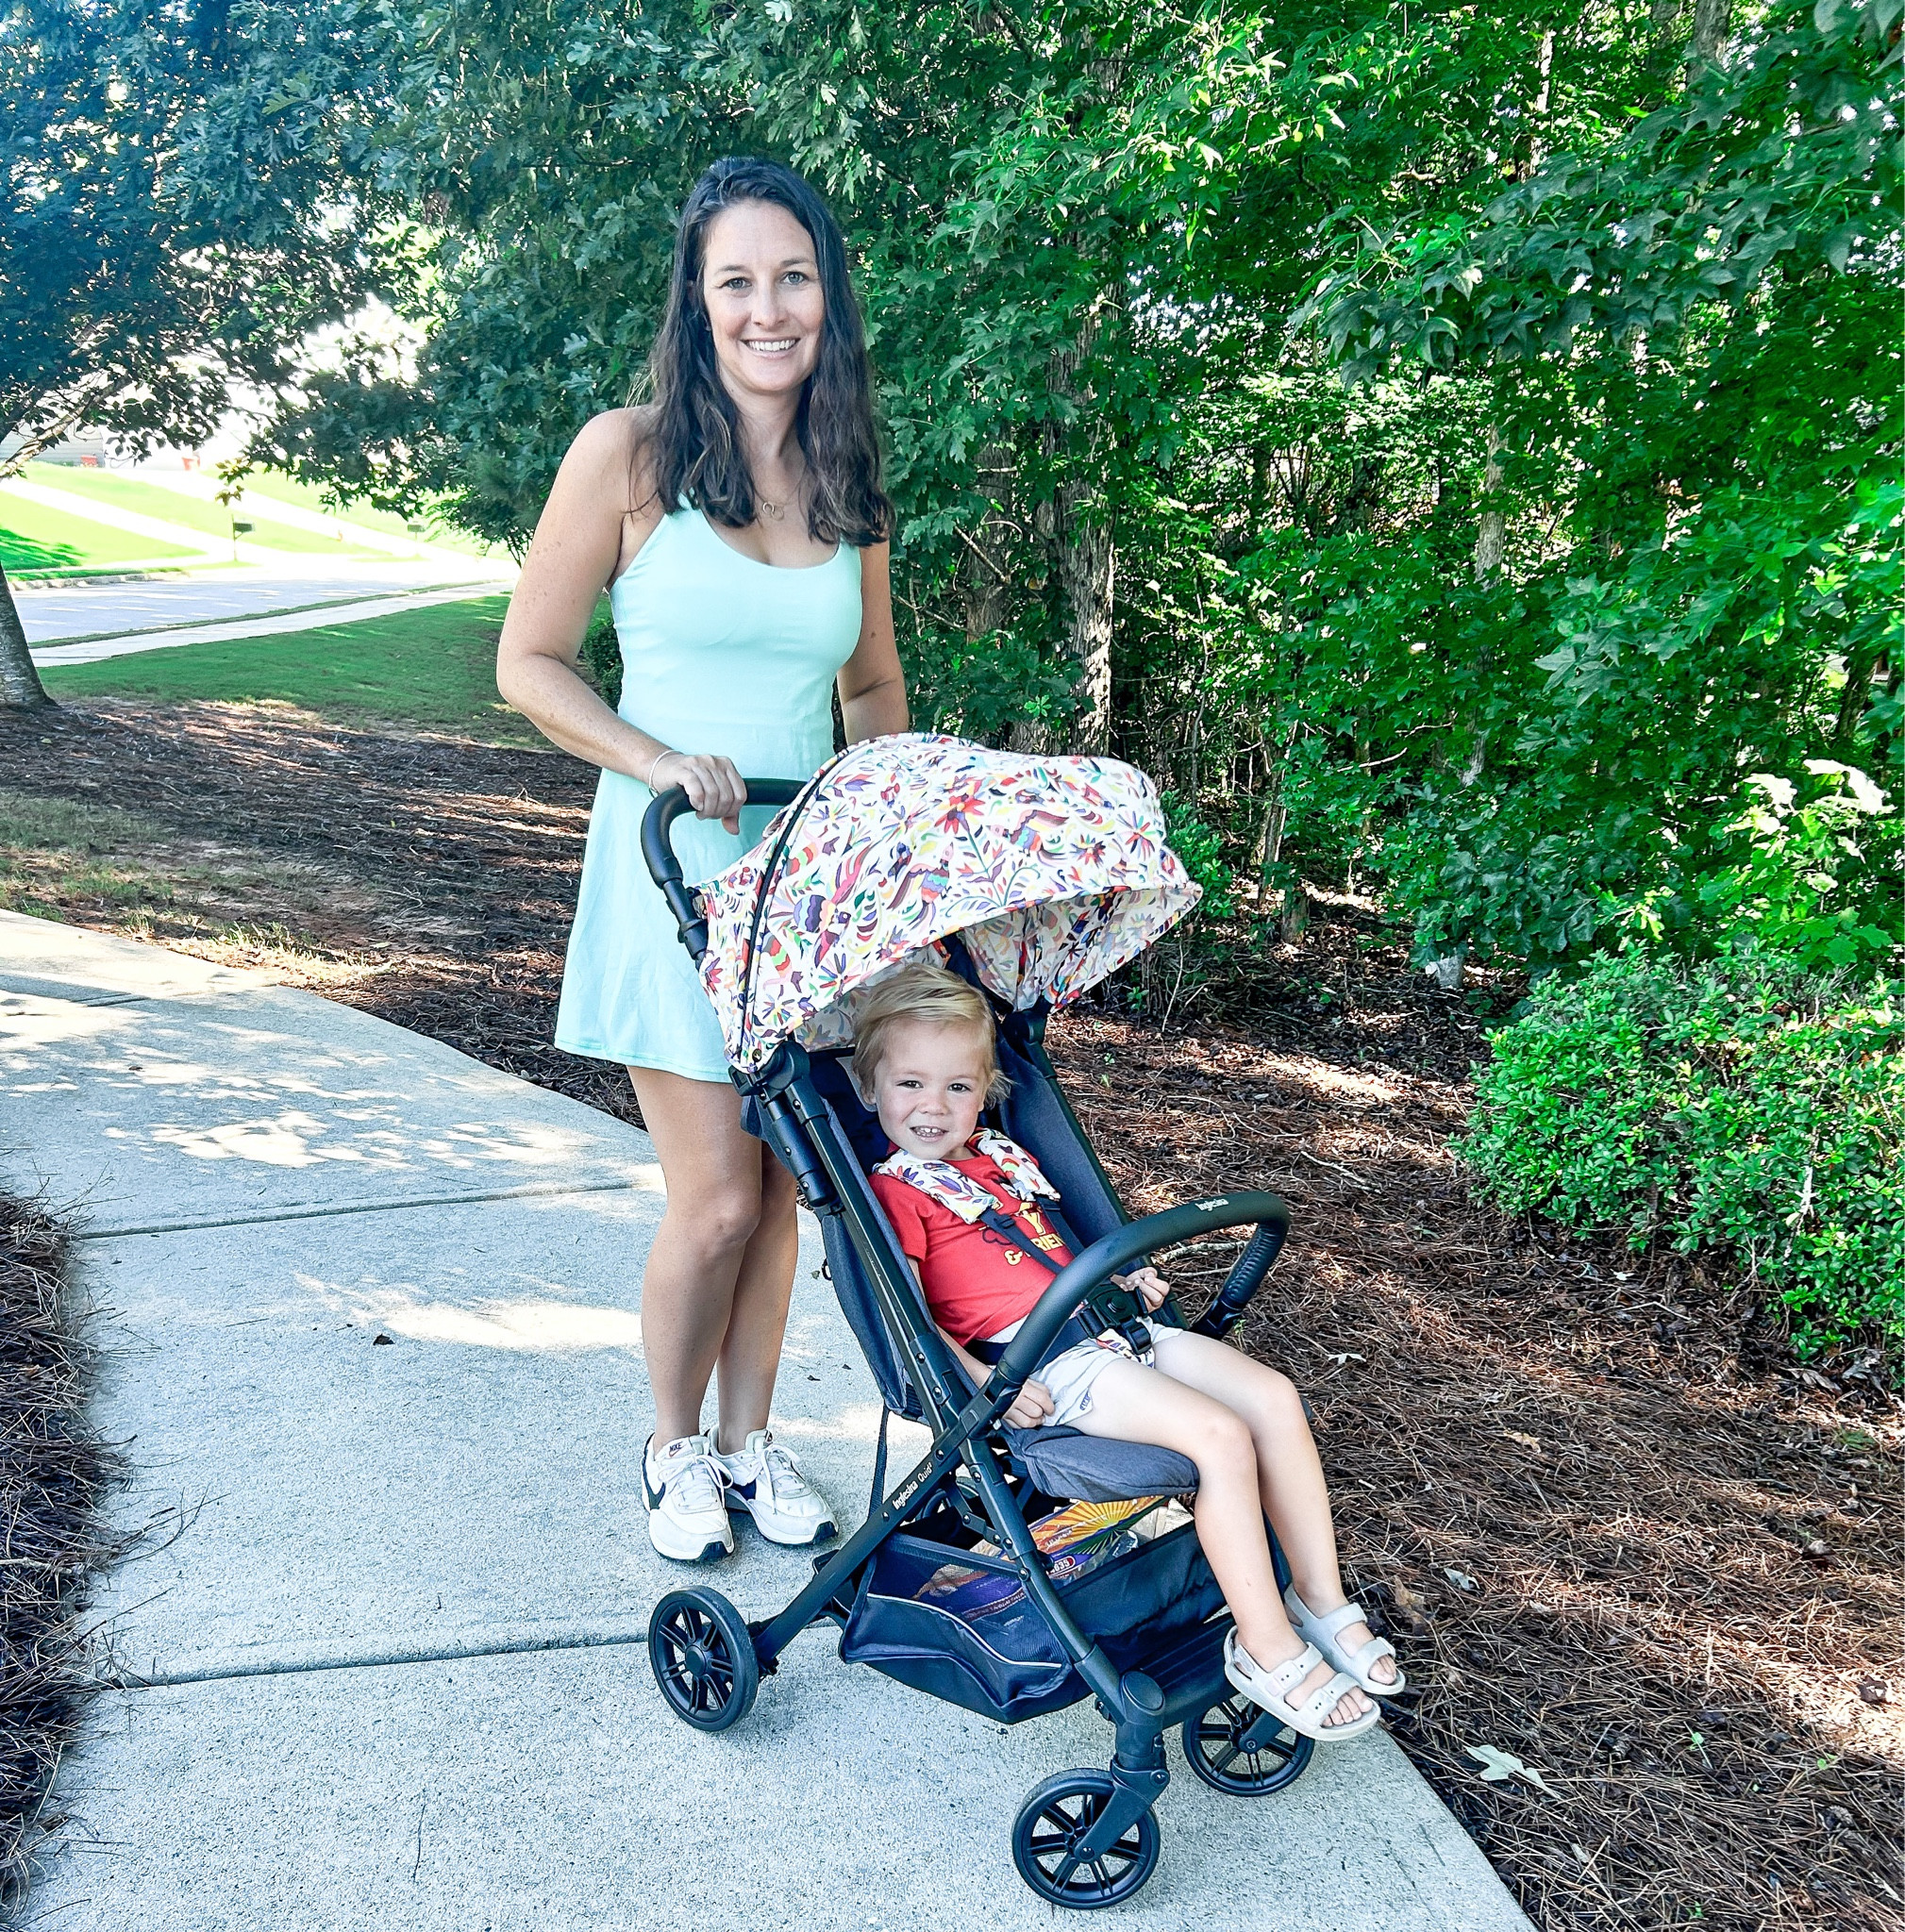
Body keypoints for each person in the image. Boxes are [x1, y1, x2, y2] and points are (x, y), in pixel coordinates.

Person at [497, 157, 909, 1565]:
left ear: (826, 295)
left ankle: (750, 1445)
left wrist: (881, 827)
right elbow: (529, 665)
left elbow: (868, 694)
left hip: (800, 893)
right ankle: (672, 1449)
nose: (766, 307)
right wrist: (657, 758)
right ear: (696, 301)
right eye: (735, 281)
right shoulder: (626, 455)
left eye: (791, 276)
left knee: (789, 1190)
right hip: (672, 876)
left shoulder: (849, 477)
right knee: (719, 1193)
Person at [857, 963, 1405, 1741]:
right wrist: (985, 1381)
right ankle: (1265, 1647)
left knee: (1272, 1399)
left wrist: (1124, 1271)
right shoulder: (899, 1191)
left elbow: (1054, 1240)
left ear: (984, 1092)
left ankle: (1318, 1599)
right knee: (1218, 1438)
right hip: (1045, 1365)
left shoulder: (999, 1159)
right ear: (870, 1089)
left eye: (956, 1087)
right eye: (909, 1084)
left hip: (1117, 1331)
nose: (932, 1107)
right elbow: (907, 1311)